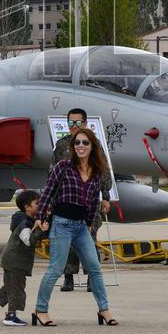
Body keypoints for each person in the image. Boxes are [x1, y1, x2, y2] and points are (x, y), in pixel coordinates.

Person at [32, 127, 118, 327]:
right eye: (77, 143)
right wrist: (39, 215)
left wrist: (89, 224)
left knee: (95, 268)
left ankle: (104, 310)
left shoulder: (97, 172)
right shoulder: (63, 166)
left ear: (92, 146)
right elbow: (48, 192)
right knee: (56, 269)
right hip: (61, 224)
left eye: (85, 143)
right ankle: (40, 310)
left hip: (81, 227)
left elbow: (92, 201)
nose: (80, 146)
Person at [53, 108, 112, 292]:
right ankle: (68, 278)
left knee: (89, 240)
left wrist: (106, 196)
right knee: (67, 242)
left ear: (85, 124)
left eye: (78, 123)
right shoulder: (61, 145)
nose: (74, 126)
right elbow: (53, 172)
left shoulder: (93, 145)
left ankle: (91, 279)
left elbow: (103, 170)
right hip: (67, 200)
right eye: (71, 123)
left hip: (89, 201)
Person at [0, 190, 45, 326]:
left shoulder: (27, 220)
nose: (40, 205)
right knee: (17, 289)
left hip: (15, 261)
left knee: (11, 286)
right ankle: (11, 316)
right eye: (37, 203)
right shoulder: (24, 223)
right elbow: (28, 240)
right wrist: (40, 230)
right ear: (27, 207)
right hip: (15, 261)